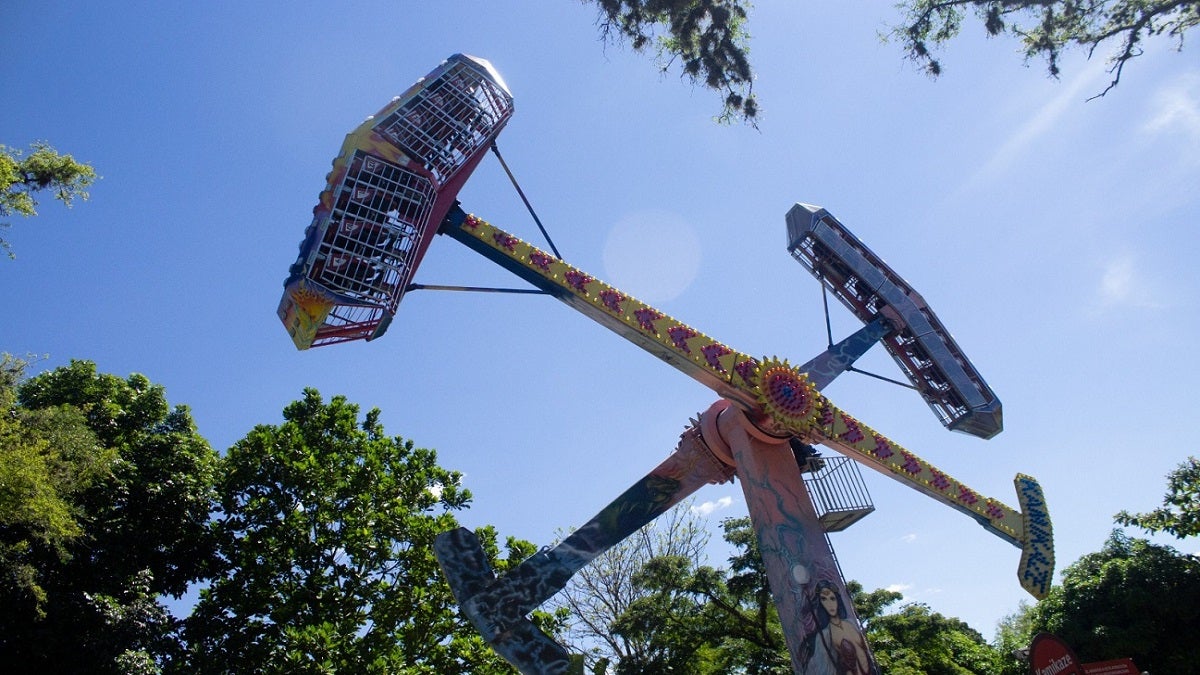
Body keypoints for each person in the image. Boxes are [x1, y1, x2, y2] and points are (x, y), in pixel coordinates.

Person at [804, 579, 875, 675]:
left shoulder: (851, 623)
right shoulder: (824, 636)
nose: (830, 604)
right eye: (824, 599)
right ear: (820, 603)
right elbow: (825, 670)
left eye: (832, 598)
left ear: (838, 600)